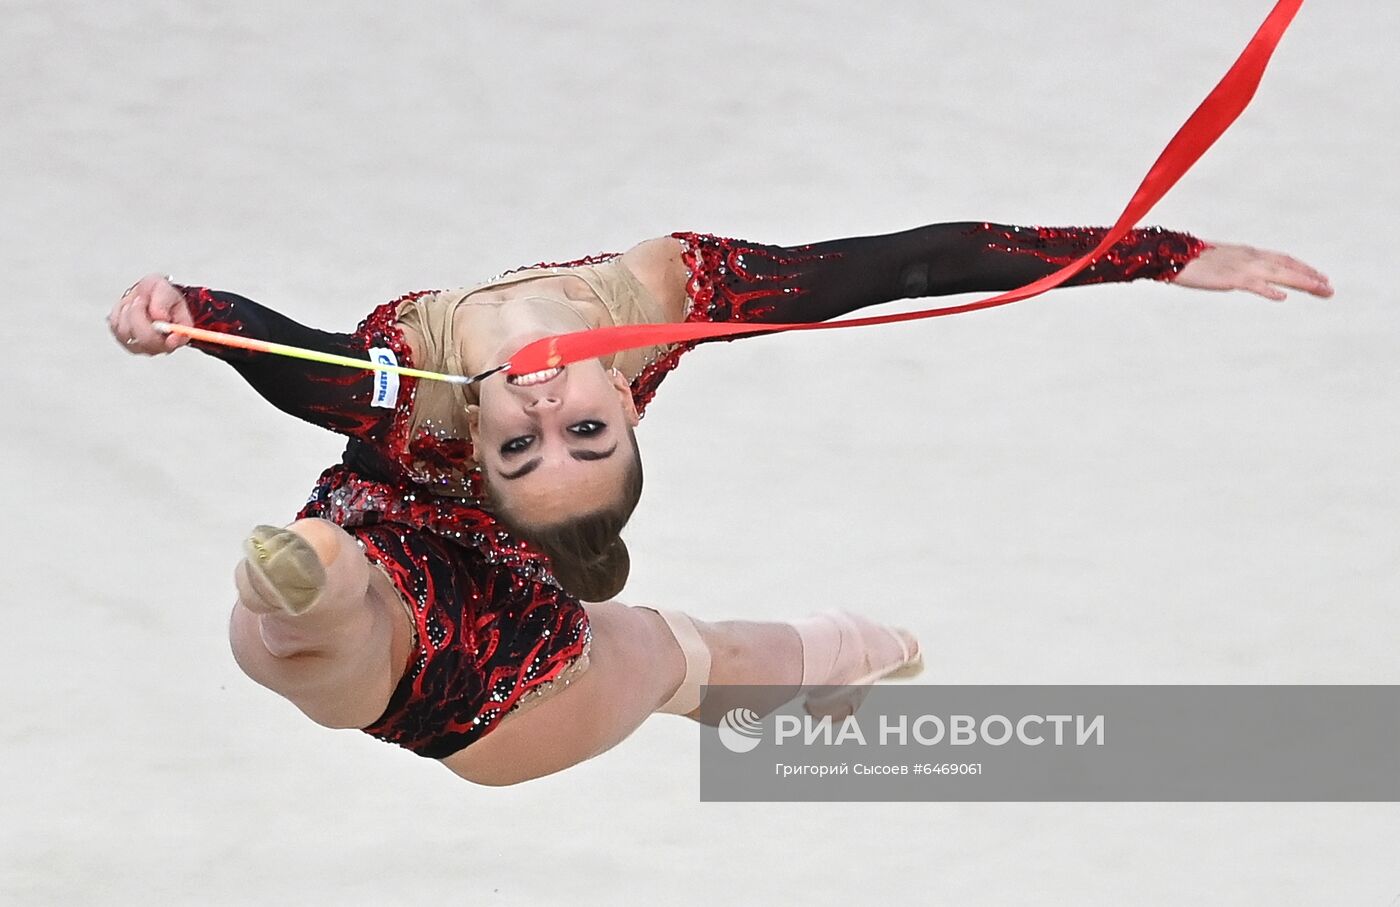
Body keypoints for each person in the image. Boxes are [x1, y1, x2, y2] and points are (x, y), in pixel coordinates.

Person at [109, 221, 1331, 785]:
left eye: (527, 442)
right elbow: (916, 262)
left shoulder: (414, 391)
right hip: (405, 585)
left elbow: (288, 354)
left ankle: (301, 594)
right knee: (336, 598)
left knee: (315, 620)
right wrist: (1158, 252)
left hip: (510, 682)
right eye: (576, 433)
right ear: (628, 407)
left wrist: (185, 313)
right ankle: (308, 588)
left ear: (478, 433)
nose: (543, 410)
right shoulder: (667, 294)